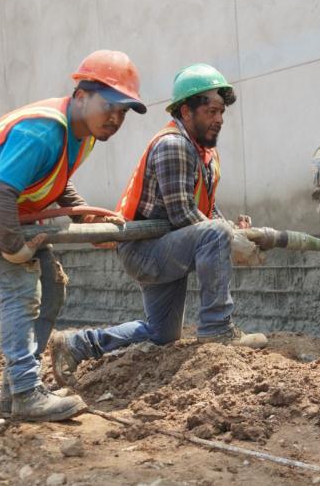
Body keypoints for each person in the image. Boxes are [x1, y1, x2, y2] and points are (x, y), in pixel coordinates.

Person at [0, 50, 147, 421]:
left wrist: (86, 215)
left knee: (52, 285)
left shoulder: (82, 132)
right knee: (22, 290)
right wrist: (17, 251)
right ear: (81, 96)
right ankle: (25, 392)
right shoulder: (43, 130)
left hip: (13, 213)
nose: (116, 118)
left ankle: (15, 390)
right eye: (111, 106)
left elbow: (55, 181)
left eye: (123, 112)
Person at [50, 63, 267, 388]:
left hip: (161, 247)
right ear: (186, 110)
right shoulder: (174, 145)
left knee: (162, 334)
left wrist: (231, 229)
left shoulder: (203, 152)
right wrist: (227, 236)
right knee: (216, 233)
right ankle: (218, 328)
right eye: (211, 111)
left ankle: (77, 344)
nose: (219, 119)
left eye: (221, 112)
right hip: (145, 250)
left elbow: (202, 208)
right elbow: (183, 215)